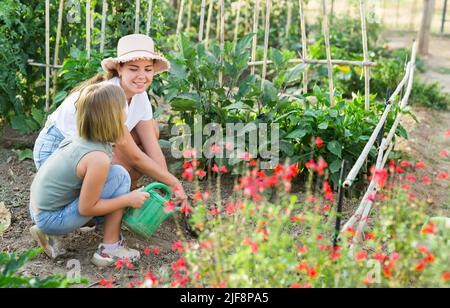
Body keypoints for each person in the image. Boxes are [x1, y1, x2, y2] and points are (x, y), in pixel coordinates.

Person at [33, 34, 188, 204]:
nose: (142, 75)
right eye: (134, 69)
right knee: (125, 162)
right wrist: (173, 183)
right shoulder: (110, 96)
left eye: (148, 69)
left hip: (82, 151)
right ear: (119, 69)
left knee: (151, 129)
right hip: (53, 151)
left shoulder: (140, 96)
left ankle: (120, 195)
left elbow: (152, 146)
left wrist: (167, 188)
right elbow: (135, 157)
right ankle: (99, 205)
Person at [30, 84, 150, 267]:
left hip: (38, 207)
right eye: (123, 108)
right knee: (120, 177)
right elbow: (87, 208)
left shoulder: (80, 137)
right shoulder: (97, 158)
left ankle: (46, 231)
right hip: (50, 217)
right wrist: (128, 199)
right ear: (113, 118)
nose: (126, 114)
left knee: (115, 175)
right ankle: (110, 250)